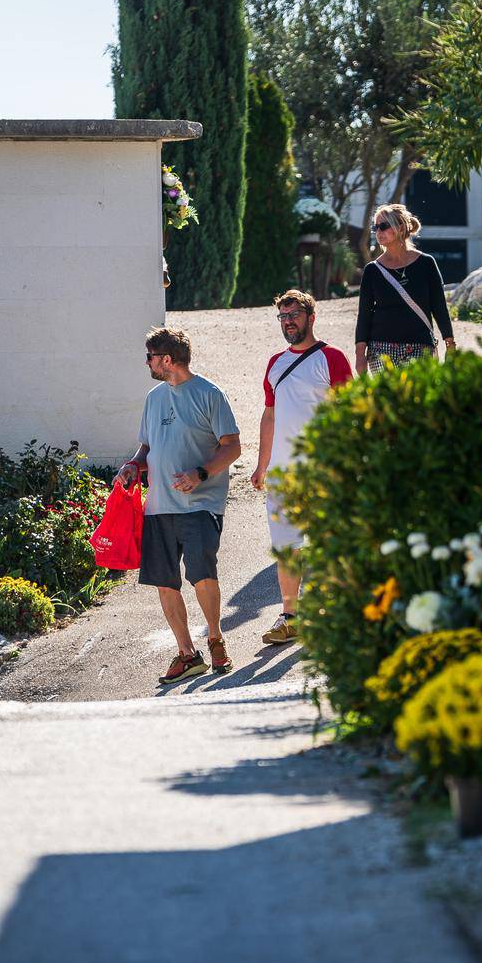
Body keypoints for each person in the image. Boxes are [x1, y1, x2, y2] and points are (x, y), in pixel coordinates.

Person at [115, 325, 242, 682]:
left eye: (150, 357)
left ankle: (215, 638)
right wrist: (131, 465)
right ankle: (187, 653)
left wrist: (200, 473)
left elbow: (232, 446)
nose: (148, 363)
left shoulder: (209, 394)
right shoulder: (154, 398)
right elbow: (146, 447)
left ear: (167, 359)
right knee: (165, 582)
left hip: (200, 504)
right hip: (159, 506)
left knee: (202, 573)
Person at [250, 290, 353, 644]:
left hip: (321, 469)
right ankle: (290, 617)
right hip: (282, 473)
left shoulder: (332, 358)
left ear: (311, 316)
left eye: (293, 314)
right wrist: (261, 465)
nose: (287, 321)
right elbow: (270, 414)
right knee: (286, 546)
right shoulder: (275, 362)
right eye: (282, 316)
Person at [354, 202, 457, 375]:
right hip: (381, 348)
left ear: (400, 228)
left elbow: (439, 306)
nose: (378, 232)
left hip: (420, 346)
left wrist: (450, 343)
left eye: (384, 226)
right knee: (387, 400)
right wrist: (359, 355)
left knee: (418, 399)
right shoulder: (372, 270)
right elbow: (364, 313)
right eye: (375, 227)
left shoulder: (426, 263)